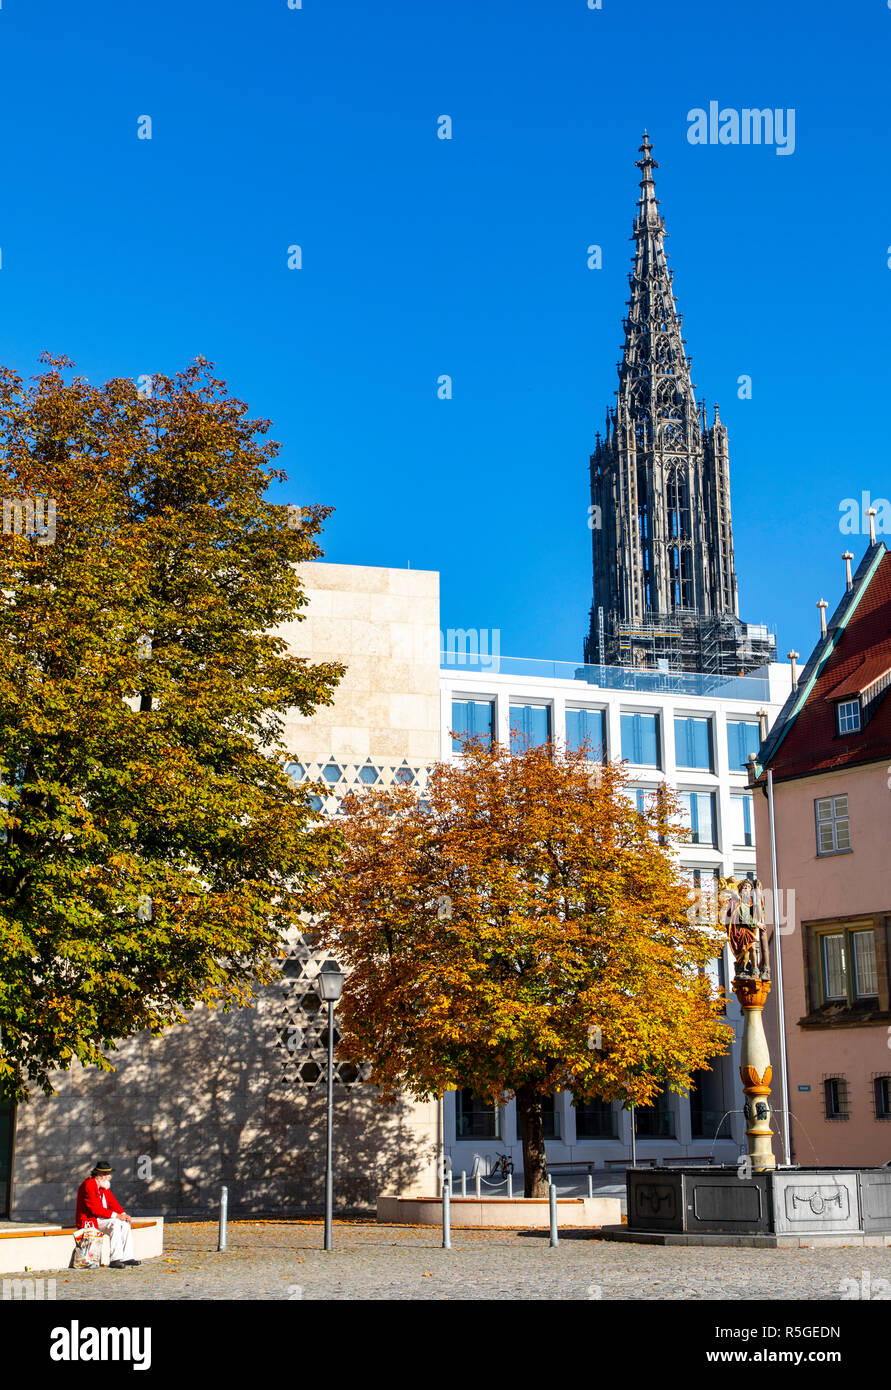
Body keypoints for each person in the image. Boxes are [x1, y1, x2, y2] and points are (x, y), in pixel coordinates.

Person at [75, 1161, 141, 1268]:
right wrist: (116, 1216)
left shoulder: (102, 1186)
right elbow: (95, 1210)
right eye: (106, 1175)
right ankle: (115, 1259)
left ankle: (127, 1257)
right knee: (115, 1223)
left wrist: (123, 1214)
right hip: (89, 1221)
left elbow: (112, 1202)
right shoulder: (89, 1185)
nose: (109, 1177)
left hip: (100, 1220)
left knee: (124, 1223)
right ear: (99, 1175)